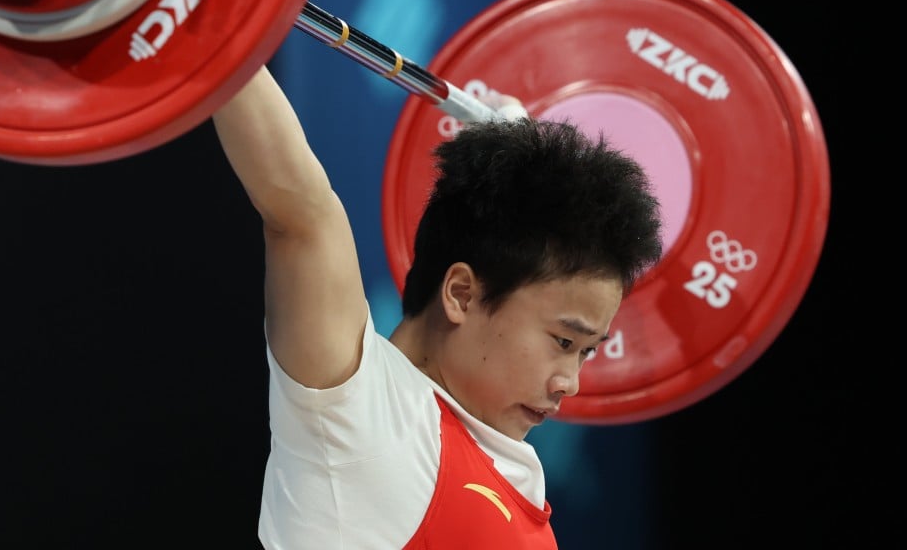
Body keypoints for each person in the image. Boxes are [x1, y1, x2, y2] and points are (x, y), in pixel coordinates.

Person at [213, 65, 663, 549]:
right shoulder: (364, 418)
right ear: (461, 294)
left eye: (586, 351)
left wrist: (523, 168)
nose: (568, 383)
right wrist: (211, 16)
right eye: (564, 341)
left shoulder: (501, 461)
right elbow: (300, 213)